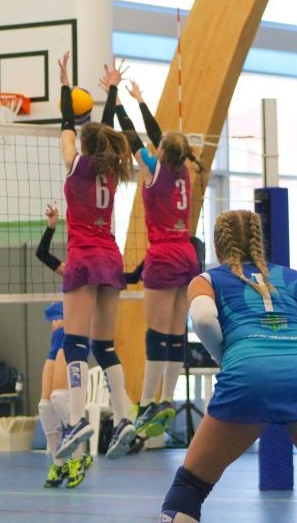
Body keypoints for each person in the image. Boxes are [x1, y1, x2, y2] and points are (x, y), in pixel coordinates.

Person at [160, 210, 297, 523]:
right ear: (260, 243)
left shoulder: (207, 280)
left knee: (189, 486)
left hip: (249, 372)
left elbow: (203, 319)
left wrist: (225, 356)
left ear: (219, 247)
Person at [53, 51, 137, 461]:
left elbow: (67, 128)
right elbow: (100, 130)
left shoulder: (75, 164)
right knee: (105, 346)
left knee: (74, 343)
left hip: (84, 257)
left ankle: (76, 419)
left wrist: (65, 87)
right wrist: (113, 90)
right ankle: (123, 418)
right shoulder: (112, 167)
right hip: (110, 257)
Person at [120, 79, 203, 438]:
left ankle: (145, 404)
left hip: (164, 256)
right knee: (175, 333)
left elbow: (134, 138)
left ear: (163, 152)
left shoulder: (153, 169)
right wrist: (141, 100)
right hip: (187, 256)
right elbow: (158, 137)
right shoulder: (183, 170)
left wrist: (119, 103)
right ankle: (166, 398)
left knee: (156, 334)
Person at [35, 203, 93, 488]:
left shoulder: (92, 275)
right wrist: (51, 226)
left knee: (60, 398)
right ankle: (58, 464)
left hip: (74, 338)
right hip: (55, 339)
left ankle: (78, 458)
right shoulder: (69, 271)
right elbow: (42, 254)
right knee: (45, 405)